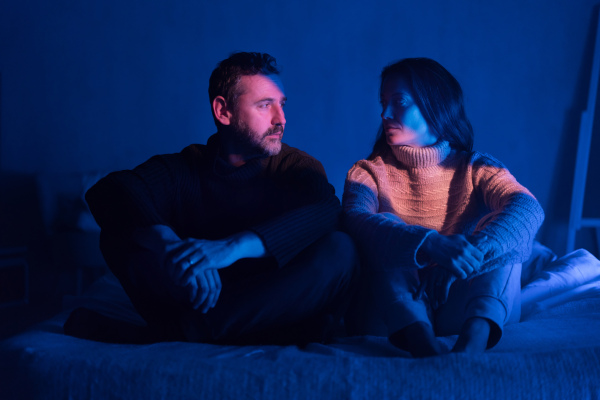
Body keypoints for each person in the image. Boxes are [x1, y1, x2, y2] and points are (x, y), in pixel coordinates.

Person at [64, 52, 358, 346]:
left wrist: (229, 248)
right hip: (202, 301)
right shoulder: (187, 168)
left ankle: (177, 334)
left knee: (341, 249)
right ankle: (206, 329)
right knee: (122, 231)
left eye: (281, 105)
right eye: (264, 105)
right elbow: (109, 191)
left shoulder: (296, 167)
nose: (281, 119)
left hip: (278, 308)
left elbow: (327, 210)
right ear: (223, 111)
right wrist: (170, 245)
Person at [342, 58, 544, 357]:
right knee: (381, 225)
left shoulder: (477, 167)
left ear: (433, 103)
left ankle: (471, 344)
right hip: (394, 312)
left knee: (505, 231)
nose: (385, 114)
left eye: (398, 102)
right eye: (383, 102)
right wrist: (431, 244)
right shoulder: (368, 173)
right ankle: (421, 341)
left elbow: (529, 208)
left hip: (462, 305)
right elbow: (355, 220)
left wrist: (462, 259)